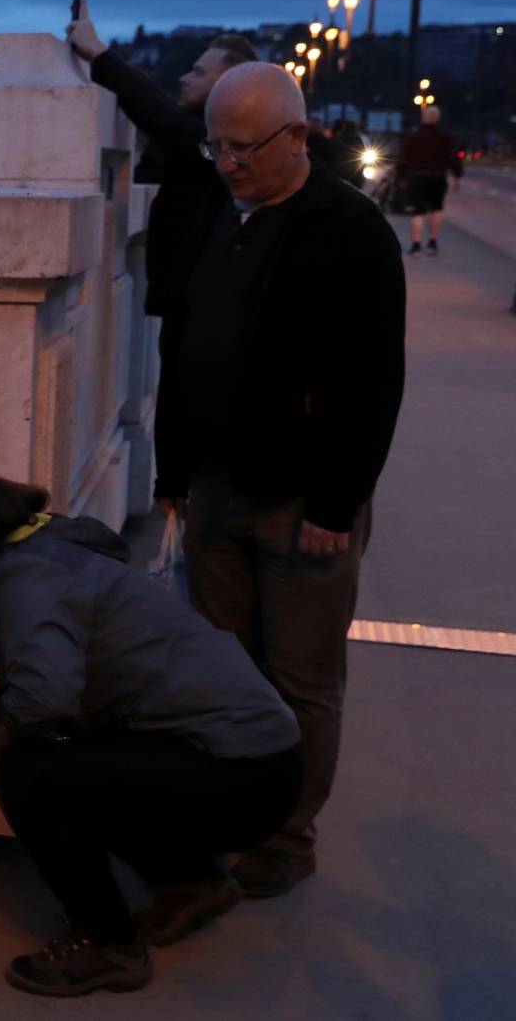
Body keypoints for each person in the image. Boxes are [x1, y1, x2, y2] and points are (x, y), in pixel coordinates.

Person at [0, 469, 301, 999]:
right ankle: (190, 883)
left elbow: (41, 700)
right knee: (63, 759)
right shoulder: (51, 553)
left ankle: (110, 945)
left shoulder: (28, 580)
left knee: (28, 774)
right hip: (260, 764)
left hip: (240, 774)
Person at [154, 62, 406, 898]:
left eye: (244, 147)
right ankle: (234, 811)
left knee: (301, 681)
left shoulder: (349, 230)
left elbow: (374, 382)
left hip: (305, 505)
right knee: (229, 670)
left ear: (297, 137)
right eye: (215, 145)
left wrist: (337, 503)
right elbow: (178, 351)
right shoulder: (218, 216)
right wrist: (171, 473)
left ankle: (285, 842)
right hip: (215, 492)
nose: (225, 162)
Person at [65, 0, 258, 324]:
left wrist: (99, 53)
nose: (183, 78)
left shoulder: (222, 148)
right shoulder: (216, 141)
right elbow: (166, 117)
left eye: (197, 72)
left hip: (201, 310)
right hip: (194, 303)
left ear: (226, 85)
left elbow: (163, 118)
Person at [399, 105, 464, 256]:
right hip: (438, 177)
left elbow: (402, 159)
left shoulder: (413, 137)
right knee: (437, 208)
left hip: (417, 177)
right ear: (437, 119)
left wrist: (400, 177)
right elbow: (453, 158)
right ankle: (432, 242)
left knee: (418, 212)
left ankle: (416, 245)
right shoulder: (445, 137)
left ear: (423, 118)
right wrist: (457, 176)